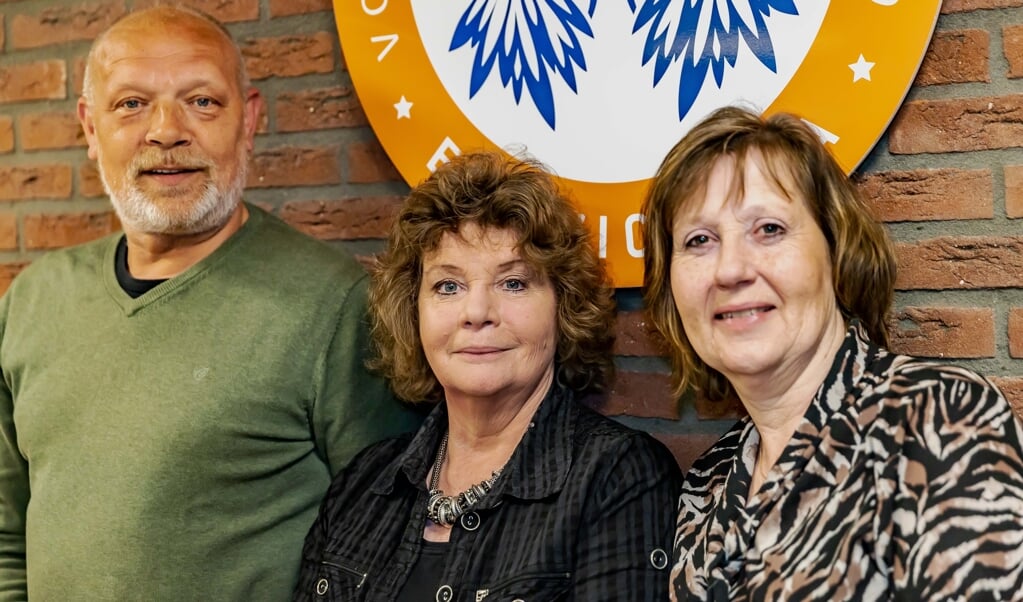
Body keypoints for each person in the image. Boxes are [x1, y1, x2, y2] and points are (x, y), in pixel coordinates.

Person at [0, 6, 420, 600]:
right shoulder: (33, 302)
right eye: (131, 104)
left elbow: (391, 545)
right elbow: (7, 536)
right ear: (90, 128)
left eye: (202, 101)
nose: (166, 130)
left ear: (249, 121)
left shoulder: (335, 305)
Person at [641, 105, 1023, 601]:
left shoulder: (941, 421)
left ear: (836, 250)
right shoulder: (710, 478)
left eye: (769, 229)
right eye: (699, 240)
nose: (730, 269)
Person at [293, 151, 683, 601]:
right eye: (448, 286)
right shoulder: (362, 483)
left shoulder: (617, 477)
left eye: (513, 283)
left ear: (564, 306)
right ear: (412, 310)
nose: (477, 313)